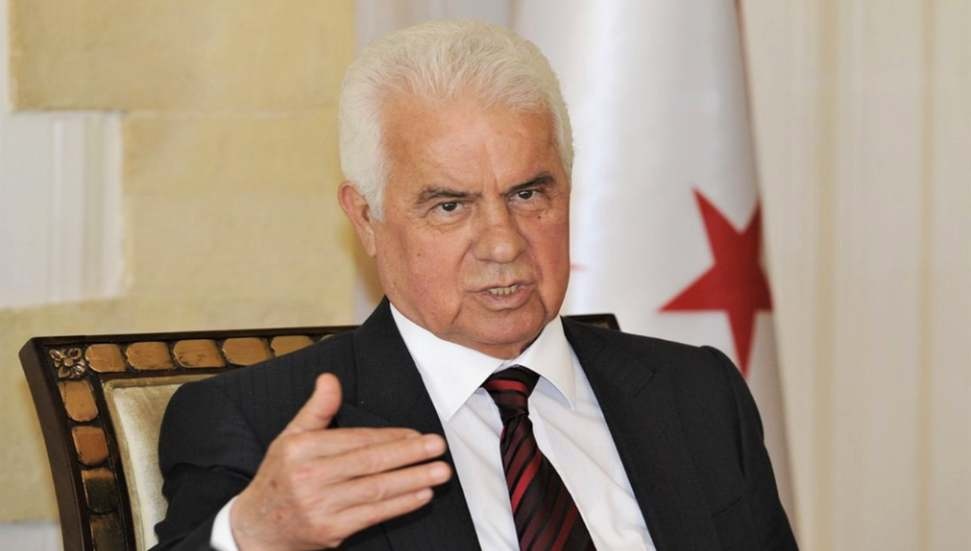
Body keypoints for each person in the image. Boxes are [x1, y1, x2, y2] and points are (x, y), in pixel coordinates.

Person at [152, 20, 797, 551]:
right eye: (450, 206)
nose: (503, 243)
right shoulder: (261, 422)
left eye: (528, 194)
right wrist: (254, 536)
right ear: (366, 218)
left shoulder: (697, 393)